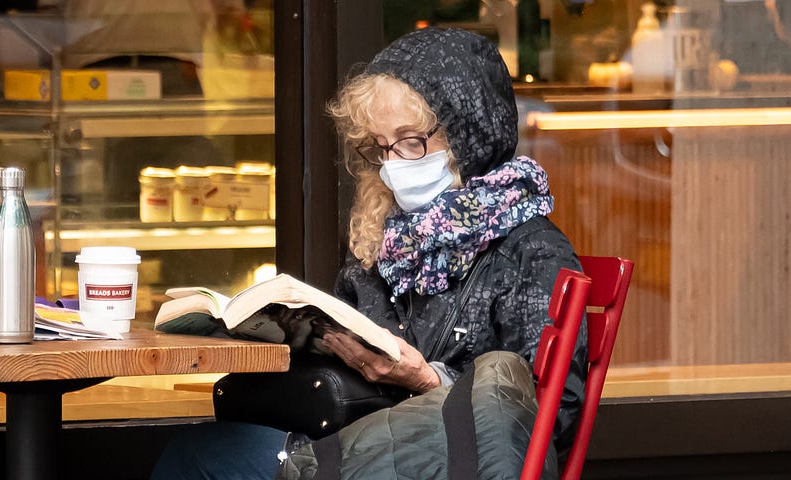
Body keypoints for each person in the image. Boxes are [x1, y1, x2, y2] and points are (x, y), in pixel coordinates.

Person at [152, 28, 586, 479]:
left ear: (469, 135)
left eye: (411, 141)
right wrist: (290, 333)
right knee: (206, 446)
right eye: (381, 147)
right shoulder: (389, 232)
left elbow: (549, 419)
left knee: (202, 457)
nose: (395, 164)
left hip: (430, 460)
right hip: (360, 441)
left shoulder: (533, 251)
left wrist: (426, 380)